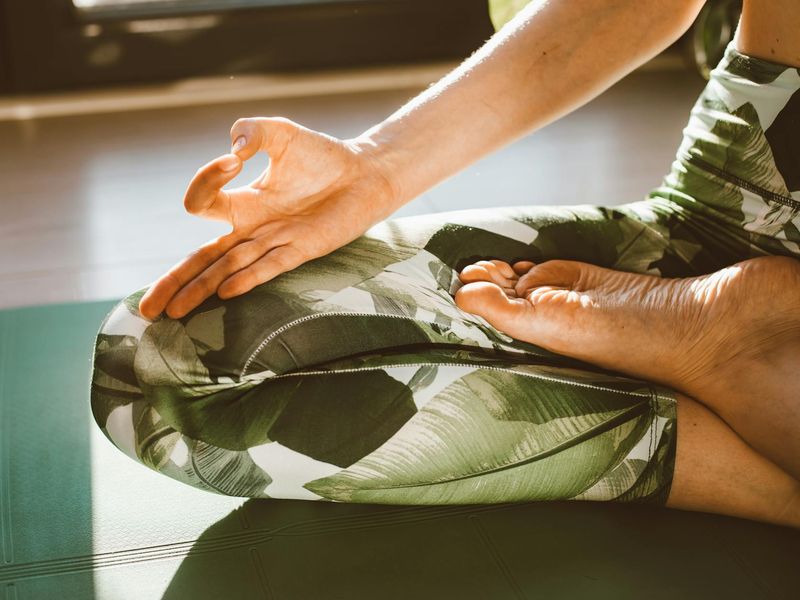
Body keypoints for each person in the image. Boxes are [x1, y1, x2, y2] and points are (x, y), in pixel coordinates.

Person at [90, 0, 800, 527]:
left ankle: (764, 437)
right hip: (730, 202)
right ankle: (758, 372)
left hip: (751, 171)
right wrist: (376, 169)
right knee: (160, 380)